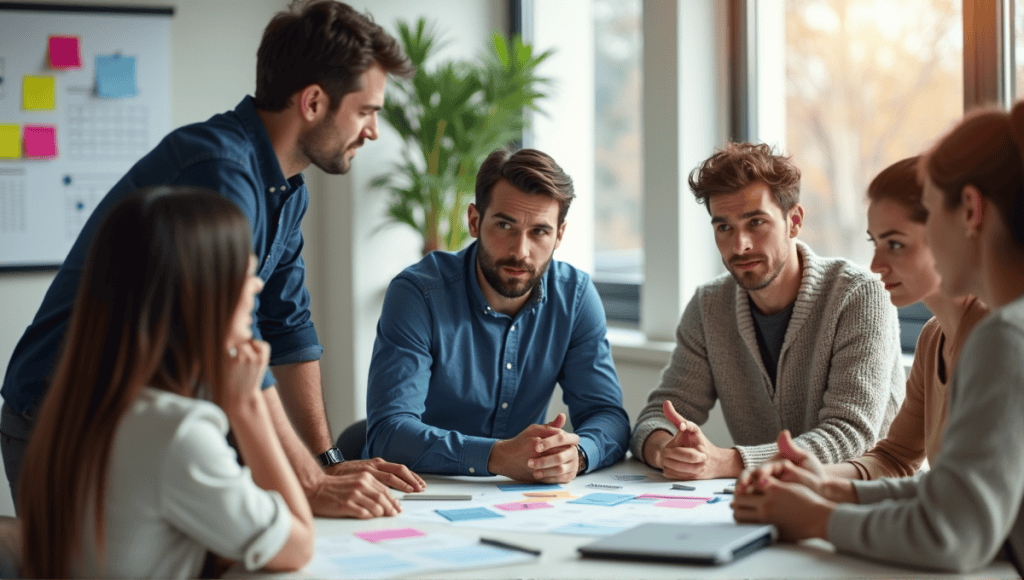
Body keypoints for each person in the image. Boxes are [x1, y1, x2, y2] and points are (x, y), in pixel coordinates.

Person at [1, 0, 425, 519]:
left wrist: (325, 460)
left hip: (140, 421)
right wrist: (310, 483)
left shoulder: (286, 188)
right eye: (366, 111)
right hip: (68, 418)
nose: (373, 131)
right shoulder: (221, 171)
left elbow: (287, 327)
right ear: (313, 101)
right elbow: (235, 343)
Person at [732, 102, 1024, 573]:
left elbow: (951, 534)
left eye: (928, 214)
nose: (876, 265)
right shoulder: (952, 336)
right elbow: (949, 485)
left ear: (970, 210)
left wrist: (817, 519)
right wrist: (830, 487)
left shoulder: (1005, 337)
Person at [18, 188, 313, 578]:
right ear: (198, 295)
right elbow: (298, 545)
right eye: (245, 276)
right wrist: (249, 408)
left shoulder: (76, 408)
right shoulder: (176, 433)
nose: (256, 288)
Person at [630, 142, 904, 481]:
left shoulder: (858, 295)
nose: (739, 244)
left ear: (794, 222)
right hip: (772, 499)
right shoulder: (709, 305)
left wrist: (729, 462)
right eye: (724, 227)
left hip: (867, 501)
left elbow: (849, 434)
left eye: (756, 222)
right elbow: (657, 416)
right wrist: (665, 449)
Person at [364, 148, 630, 483]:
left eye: (539, 232)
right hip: (422, 492)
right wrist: (496, 456)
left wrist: (577, 455)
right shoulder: (418, 294)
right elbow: (389, 433)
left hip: (521, 501)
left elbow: (608, 417)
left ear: (559, 235)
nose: (520, 251)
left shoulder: (574, 297)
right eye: (505, 225)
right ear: (474, 221)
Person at [781, 157, 988, 488]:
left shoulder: (998, 339)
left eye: (895, 244)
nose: (876, 264)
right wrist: (816, 475)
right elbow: (895, 457)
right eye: (874, 243)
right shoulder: (934, 337)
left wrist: (829, 504)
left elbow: (961, 491)